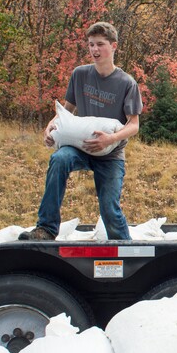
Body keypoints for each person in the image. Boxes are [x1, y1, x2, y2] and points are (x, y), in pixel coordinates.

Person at [19, 22, 143, 241]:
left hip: (110, 154)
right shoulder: (80, 75)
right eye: (91, 45)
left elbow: (134, 125)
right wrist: (50, 127)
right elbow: (65, 111)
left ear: (113, 46)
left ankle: (126, 250)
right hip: (80, 148)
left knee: (109, 210)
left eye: (100, 45)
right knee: (59, 159)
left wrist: (110, 139)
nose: (95, 50)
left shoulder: (127, 83)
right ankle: (46, 229)